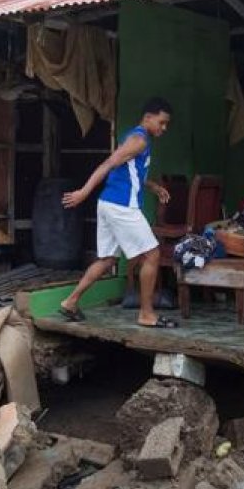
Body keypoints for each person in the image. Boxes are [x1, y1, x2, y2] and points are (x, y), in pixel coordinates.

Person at [60, 97, 178, 328]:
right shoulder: (139, 140)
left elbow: (129, 172)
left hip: (108, 203)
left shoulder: (135, 137)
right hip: (122, 206)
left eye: (166, 124)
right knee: (152, 255)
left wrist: (152, 186)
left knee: (107, 259)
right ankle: (146, 314)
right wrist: (84, 192)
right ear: (148, 117)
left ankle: (70, 302)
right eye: (162, 122)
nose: (164, 128)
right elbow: (108, 164)